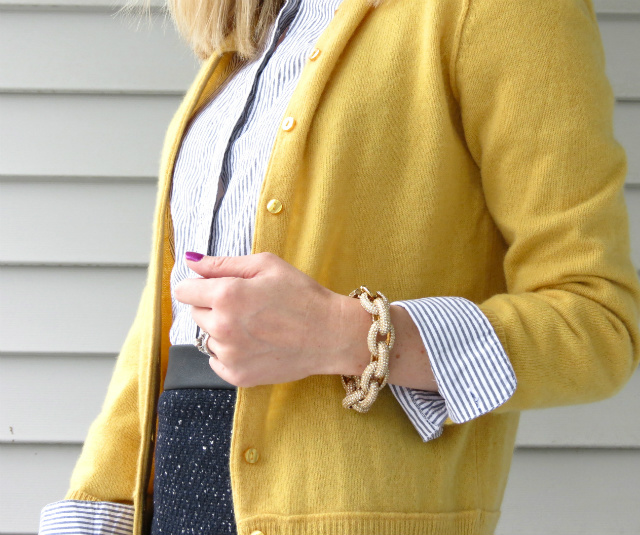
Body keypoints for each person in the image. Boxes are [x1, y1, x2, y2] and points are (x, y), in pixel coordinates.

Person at [39, 0, 640, 534]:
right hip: (176, 496)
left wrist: (350, 336)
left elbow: (597, 320)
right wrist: (97, 507)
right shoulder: (257, 26)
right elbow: (171, 316)